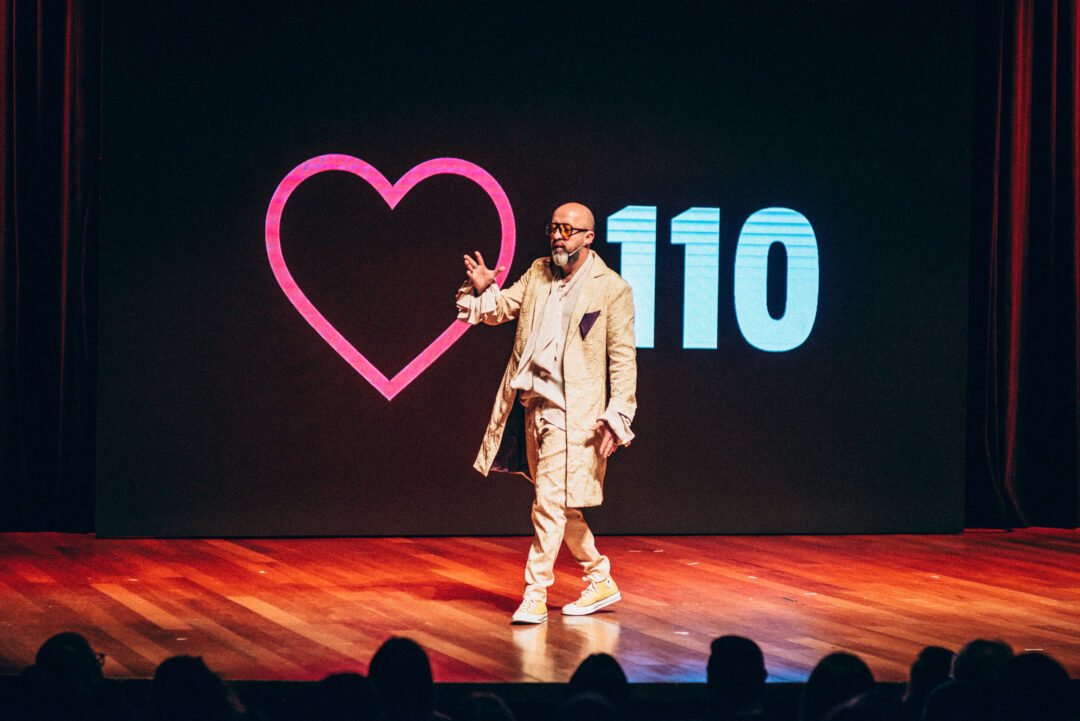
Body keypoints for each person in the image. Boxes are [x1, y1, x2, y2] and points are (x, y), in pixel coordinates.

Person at [456, 202, 637, 624]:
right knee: (555, 502)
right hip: (532, 406)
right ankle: (600, 577)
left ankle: (535, 592)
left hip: (574, 415)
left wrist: (618, 415)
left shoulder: (611, 288)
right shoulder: (539, 272)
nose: (558, 236)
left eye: (568, 230)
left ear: (589, 237)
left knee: (547, 505)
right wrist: (485, 289)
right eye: (553, 228)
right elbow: (500, 310)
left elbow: (622, 360)